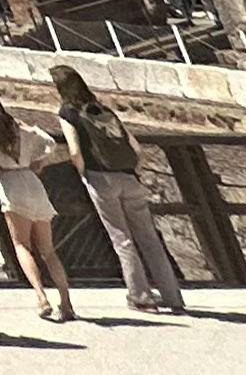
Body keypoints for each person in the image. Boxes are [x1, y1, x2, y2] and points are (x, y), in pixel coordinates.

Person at [49, 68, 184, 315]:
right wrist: (131, 169)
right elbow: (136, 147)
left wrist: (83, 175)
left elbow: (74, 151)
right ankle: (173, 296)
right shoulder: (103, 110)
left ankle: (141, 297)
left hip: (100, 178)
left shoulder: (68, 112)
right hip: (128, 177)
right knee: (150, 239)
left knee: (122, 239)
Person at [0, 84, 72, 324]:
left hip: (11, 184)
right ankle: (66, 300)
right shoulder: (16, 126)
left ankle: (41, 296)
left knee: (22, 245)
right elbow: (49, 142)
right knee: (48, 249)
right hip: (32, 181)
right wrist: (37, 162)